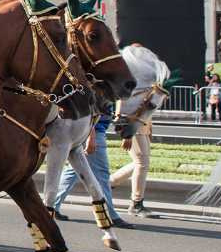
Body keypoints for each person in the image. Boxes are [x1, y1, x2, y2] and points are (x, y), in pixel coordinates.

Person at [53, 101, 133, 229]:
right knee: (102, 175)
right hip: (93, 132)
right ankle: (110, 215)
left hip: (86, 132)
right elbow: (89, 111)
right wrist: (92, 137)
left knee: (73, 171)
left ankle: (52, 206)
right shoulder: (98, 85)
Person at [110, 45, 156, 217]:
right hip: (132, 123)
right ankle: (136, 203)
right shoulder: (128, 75)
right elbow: (121, 103)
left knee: (141, 162)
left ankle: (110, 183)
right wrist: (125, 131)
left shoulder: (142, 74)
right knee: (142, 162)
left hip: (142, 122)